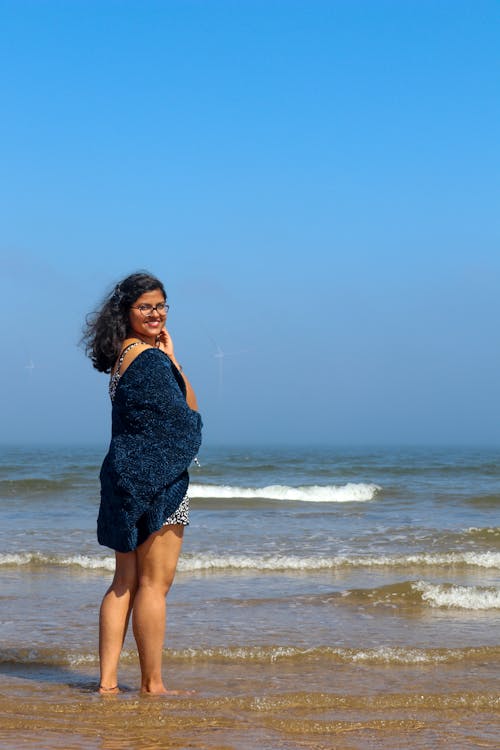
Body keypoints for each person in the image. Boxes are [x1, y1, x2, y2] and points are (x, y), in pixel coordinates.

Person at [82, 271, 202, 695]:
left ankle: (108, 683)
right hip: (158, 483)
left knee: (123, 582)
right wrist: (171, 362)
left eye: (161, 306)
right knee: (154, 585)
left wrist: (170, 357)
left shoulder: (125, 355)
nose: (155, 313)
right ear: (128, 312)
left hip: (121, 477)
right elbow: (186, 421)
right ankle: (153, 683)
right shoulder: (150, 360)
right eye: (145, 307)